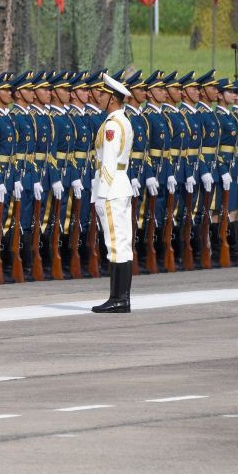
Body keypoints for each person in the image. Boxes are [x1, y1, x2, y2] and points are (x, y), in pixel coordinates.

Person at [91, 73, 135, 313]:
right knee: (122, 243)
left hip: (111, 188)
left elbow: (107, 162)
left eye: (103, 95)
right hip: (121, 184)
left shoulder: (111, 125)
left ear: (112, 99)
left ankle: (118, 298)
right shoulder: (123, 121)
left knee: (115, 244)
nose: (99, 97)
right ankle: (121, 298)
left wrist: (101, 194)